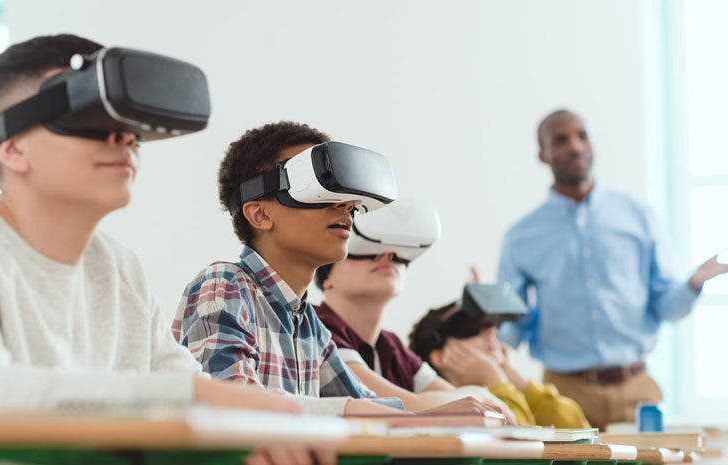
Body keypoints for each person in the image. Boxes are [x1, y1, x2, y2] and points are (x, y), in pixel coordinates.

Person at [0, 34, 334, 465]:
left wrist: (348, 413)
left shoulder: (120, 269)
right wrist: (195, 396)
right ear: (13, 149)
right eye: (89, 116)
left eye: (129, 124)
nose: (123, 138)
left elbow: (192, 392)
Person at [175, 121, 499, 418]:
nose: (346, 206)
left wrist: (443, 413)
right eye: (316, 190)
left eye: (346, 197)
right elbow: (233, 402)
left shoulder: (308, 324)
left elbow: (363, 403)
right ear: (259, 214)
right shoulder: (226, 285)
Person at [496, 108, 728, 428]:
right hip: (564, 392)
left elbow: (666, 306)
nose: (575, 146)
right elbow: (515, 322)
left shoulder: (638, 216)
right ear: (542, 155)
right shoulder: (521, 237)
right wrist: (484, 321)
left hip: (637, 391)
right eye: (560, 140)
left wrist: (693, 283)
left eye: (582, 135)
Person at [313, 200, 515, 420]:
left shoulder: (391, 345)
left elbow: (465, 404)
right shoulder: (319, 327)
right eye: (365, 251)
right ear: (327, 279)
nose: (387, 256)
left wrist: (475, 396)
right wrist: (477, 392)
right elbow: (406, 406)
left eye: (399, 255)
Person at [408, 302, 590, 428]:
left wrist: (517, 381)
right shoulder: (449, 407)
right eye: (477, 332)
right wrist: (496, 380)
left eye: (494, 335)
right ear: (440, 357)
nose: (494, 345)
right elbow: (521, 447)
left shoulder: (506, 389)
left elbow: (578, 429)